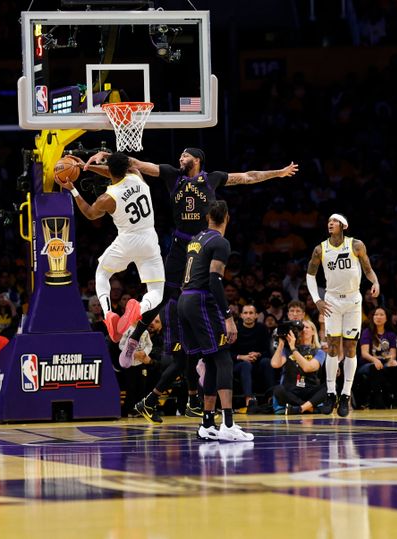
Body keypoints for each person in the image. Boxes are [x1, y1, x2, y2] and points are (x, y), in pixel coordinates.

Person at [84, 148, 298, 421]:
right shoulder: (172, 175)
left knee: (202, 295)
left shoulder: (213, 178)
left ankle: (197, 370)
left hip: (204, 244)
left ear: (196, 160)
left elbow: (247, 176)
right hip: (180, 243)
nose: (179, 159)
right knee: (162, 294)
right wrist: (104, 157)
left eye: (184, 156)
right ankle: (134, 338)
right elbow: (135, 164)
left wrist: (277, 173)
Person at [57, 152, 165, 369]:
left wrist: (73, 190)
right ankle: (140, 307)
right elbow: (122, 168)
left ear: (110, 170)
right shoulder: (137, 176)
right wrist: (89, 166)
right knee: (157, 292)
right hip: (149, 239)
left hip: (127, 240)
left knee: (102, 274)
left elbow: (89, 214)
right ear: (127, 167)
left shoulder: (108, 197)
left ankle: (108, 316)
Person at [177, 200, 253, 441]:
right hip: (200, 300)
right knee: (223, 358)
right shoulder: (221, 242)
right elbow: (215, 280)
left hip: (184, 299)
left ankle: (207, 422)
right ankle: (228, 423)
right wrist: (228, 318)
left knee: (210, 359)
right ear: (226, 218)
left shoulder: (195, 239)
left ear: (208, 217)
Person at [306, 213, 380, 417]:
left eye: (334, 221)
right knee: (332, 346)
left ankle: (346, 394)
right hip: (331, 300)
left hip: (353, 300)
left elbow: (368, 269)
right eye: (329, 221)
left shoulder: (356, 245)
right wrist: (317, 299)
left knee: (350, 347)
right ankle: (331, 393)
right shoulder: (320, 249)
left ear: (344, 225)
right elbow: (310, 275)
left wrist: (375, 282)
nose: (330, 224)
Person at [271, 320, 327, 414]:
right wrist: (281, 344)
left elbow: (307, 368)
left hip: (310, 390)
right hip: (292, 391)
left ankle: (299, 409)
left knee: (330, 386)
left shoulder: (319, 352)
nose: (303, 330)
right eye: (301, 328)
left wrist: (293, 348)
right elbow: (275, 364)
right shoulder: (287, 349)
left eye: (307, 327)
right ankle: (309, 408)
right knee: (278, 389)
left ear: (313, 332)